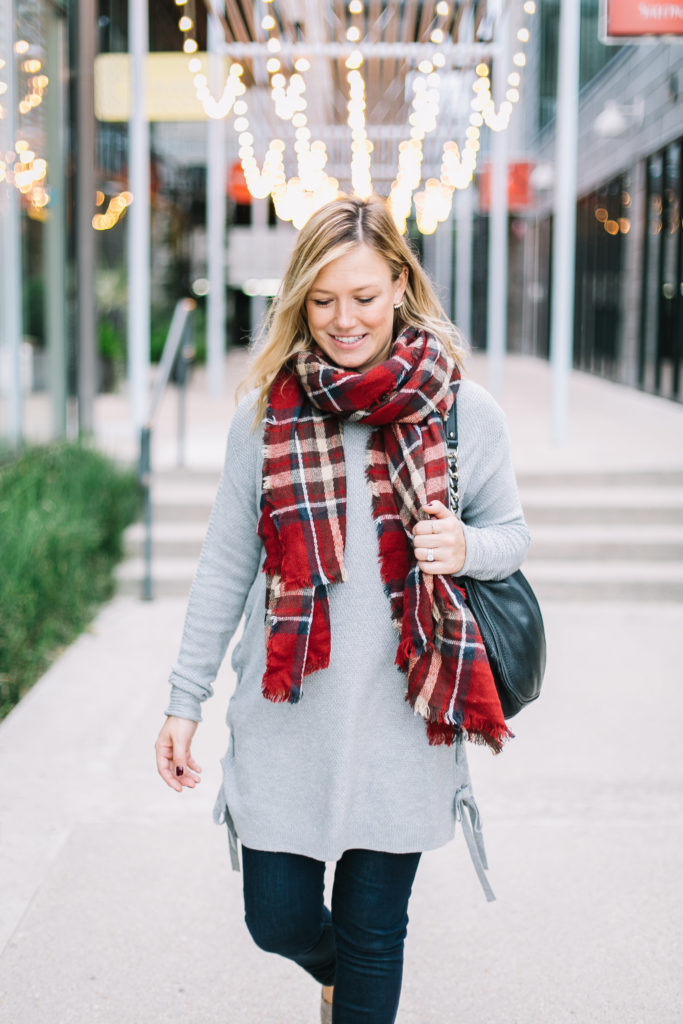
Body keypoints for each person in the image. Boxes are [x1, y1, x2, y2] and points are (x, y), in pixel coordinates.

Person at [155, 194, 530, 1023]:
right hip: (288, 716)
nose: (342, 320)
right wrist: (185, 701)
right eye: (321, 301)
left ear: (399, 282)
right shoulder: (264, 418)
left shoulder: (464, 412)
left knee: (373, 935)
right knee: (275, 919)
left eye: (361, 296)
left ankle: (355, 990)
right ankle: (341, 982)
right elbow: (225, 564)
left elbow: (511, 536)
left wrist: (465, 549)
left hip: (403, 716)